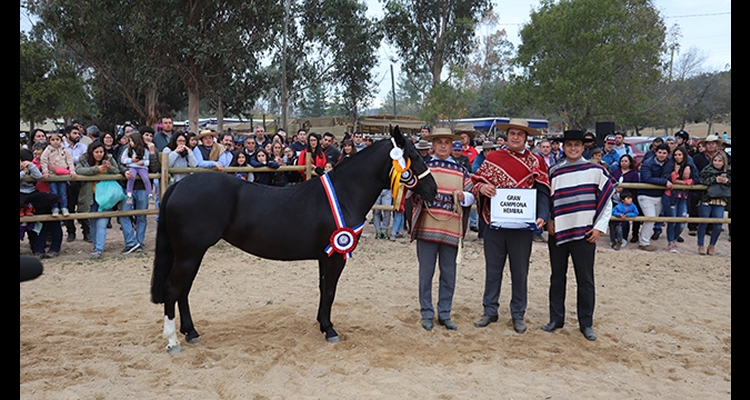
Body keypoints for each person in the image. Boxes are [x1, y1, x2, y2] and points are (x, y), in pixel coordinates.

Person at [470, 118, 551, 334]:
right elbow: (476, 182)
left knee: (519, 271)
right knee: (493, 269)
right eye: (512, 133)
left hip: (522, 227)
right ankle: (490, 310)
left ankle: (518, 314)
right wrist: (482, 188)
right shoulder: (494, 157)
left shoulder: (536, 162)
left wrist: (543, 215)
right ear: (507, 136)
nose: (515, 137)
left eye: (520, 134)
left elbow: (543, 190)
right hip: (494, 225)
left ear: (526, 138)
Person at [543, 130, 615, 341]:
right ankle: (556, 318)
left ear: (584, 147)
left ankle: (586, 323)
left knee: (585, 280)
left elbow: (607, 200)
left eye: (577, 144)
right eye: (568, 145)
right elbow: (546, 199)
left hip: (584, 233)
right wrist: (548, 220)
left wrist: (599, 227)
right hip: (558, 232)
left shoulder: (596, 170)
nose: (572, 148)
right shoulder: (554, 171)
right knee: (557, 277)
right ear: (562, 148)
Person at [410, 128, 475, 331]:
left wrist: (465, 197)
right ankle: (427, 313)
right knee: (426, 273)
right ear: (433, 145)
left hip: (451, 229)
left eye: (447, 142)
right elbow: (410, 191)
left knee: (449, 273)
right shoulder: (423, 168)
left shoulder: (461, 170)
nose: (444, 146)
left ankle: (444, 313)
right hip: (427, 228)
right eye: (439, 142)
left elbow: (472, 193)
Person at [76, 141, 121, 258]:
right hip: (90, 196)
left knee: (102, 224)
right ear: (91, 152)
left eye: (101, 152)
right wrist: (96, 169)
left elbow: (118, 171)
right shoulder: (83, 160)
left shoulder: (109, 159)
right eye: (96, 152)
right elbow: (79, 170)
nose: (99, 154)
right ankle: (96, 246)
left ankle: (98, 249)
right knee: (93, 223)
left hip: (106, 196)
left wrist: (109, 168)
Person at [117, 134, 161, 255]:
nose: (149, 138)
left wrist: (152, 153)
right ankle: (131, 242)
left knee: (141, 216)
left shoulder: (150, 150)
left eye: (151, 135)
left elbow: (155, 167)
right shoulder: (125, 149)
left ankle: (139, 242)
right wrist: (125, 170)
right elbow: (120, 163)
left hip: (142, 187)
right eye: (146, 135)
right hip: (127, 187)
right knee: (124, 214)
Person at [637, 143, 672, 251]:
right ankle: (644, 242)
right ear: (656, 152)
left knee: (653, 219)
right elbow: (647, 178)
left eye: (664, 153)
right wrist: (664, 182)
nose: (661, 155)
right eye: (660, 152)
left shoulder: (669, 164)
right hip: (645, 195)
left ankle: (643, 238)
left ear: (668, 154)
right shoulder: (647, 163)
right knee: (650, 218)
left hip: (659, 195)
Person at [696, 151, 730, 255]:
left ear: (724, 162)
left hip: (720, 201)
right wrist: (715, 179)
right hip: (706, 199)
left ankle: (712, 245)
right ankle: (700, 245)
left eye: (720, 161)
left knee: (718, 225)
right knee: (703, 223)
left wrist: (726, 181)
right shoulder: (706, 170)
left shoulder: (729, 171)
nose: (717, 163)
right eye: (715, 160)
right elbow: (701, 180)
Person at [662, 146, 693, 253]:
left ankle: (674, 239)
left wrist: (683, 180)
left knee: (681, 222)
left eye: (680, 155)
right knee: (673, 220)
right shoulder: (670, 164)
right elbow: (666, 177)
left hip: (683, 196)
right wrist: (681, 180)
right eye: (675, 155)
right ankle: (671, 242)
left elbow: (696, 179)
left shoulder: (689, 165)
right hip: (671, 196)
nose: (677, 157)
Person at [40, 131, 77, 217]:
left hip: (62, 176)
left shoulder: (65, 150)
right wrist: (45, 171)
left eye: (57, 139)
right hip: (52, 175)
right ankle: (55, 208)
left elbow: (70, 161)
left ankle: (64, 207)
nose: (55, 141)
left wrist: (72, 171)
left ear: (61, 140)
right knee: (54, 192)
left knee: (63, 192)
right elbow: (43, 161)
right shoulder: (47, 150)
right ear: (49, 141)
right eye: (53, 139)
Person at [62, 125, 89, 241]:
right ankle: (71, 232)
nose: (78, 135)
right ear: (67, 135)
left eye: (78, 134)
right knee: (69, 207)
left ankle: (86, 232)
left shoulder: (83, 146)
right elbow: (60, 160)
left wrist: (69, 160)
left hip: (81, 180)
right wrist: (73, 160)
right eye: (75, 133)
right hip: (66, 181)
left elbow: (85, 159)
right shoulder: (61, 146)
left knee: (83, 206)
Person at [610, 154, 640, 246]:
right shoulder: (615, 172)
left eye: (626, 161)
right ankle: (614, 238)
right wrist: (614, 190)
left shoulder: (633, 173)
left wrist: (623, 190)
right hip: (614, 199)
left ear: (630, 162)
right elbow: (608, 182)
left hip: (626, 201)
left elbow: (635, 187)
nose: (623, 163)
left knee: (625, 220)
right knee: (613, 220)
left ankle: (623, 238)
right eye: (622, 161)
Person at [121, 131, 154, 203]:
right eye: (130, 141)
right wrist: (132, 160)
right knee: (131, 177)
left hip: (142, 167)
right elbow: (123, 160)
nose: (130, 143)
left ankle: (150, 194)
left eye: (132, 141)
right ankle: (129, 194)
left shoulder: (145, 151)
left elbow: (148, 161)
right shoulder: (127, 150)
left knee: (145, 178)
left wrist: (142, 163)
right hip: (132, 166)